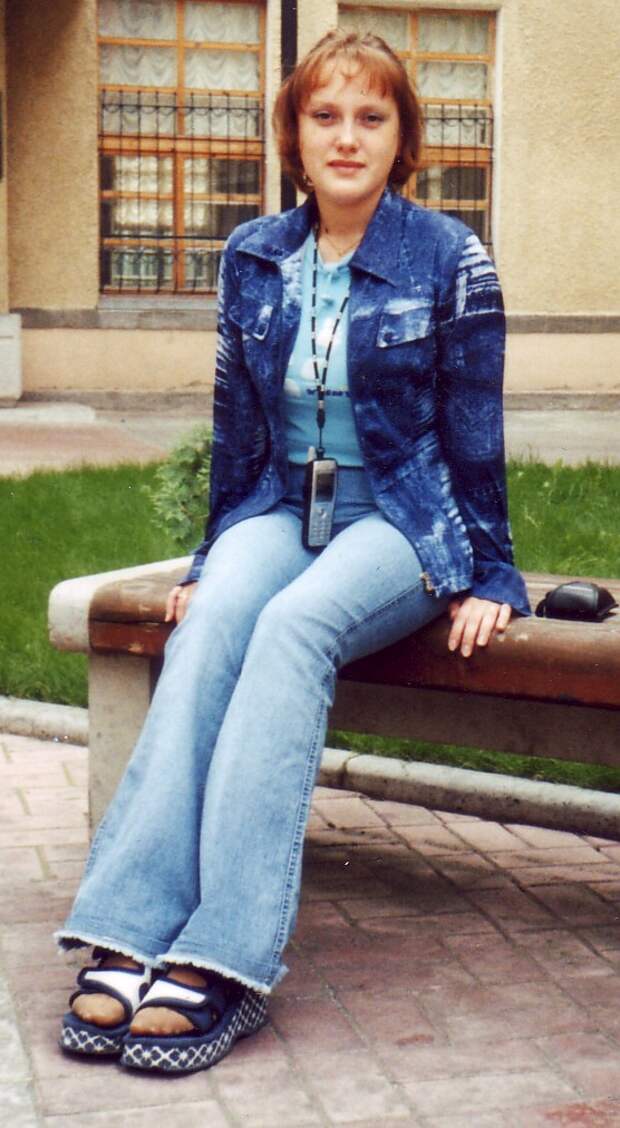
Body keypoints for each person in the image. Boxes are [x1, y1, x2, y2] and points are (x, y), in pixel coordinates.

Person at [56, 29, 530, 1075]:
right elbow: (239, 430)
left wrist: (491, 571)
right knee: (220, 619)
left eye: (370, 117)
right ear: (295, 135)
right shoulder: (254, 254)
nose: (346, 136)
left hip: (401, 519)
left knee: (292, 627)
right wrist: (211, 558)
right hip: (281, 505)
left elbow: (475, 432)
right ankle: (130, 926)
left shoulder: (449, 259)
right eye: (325, 116)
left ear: (401, 138)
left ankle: (223, 956)